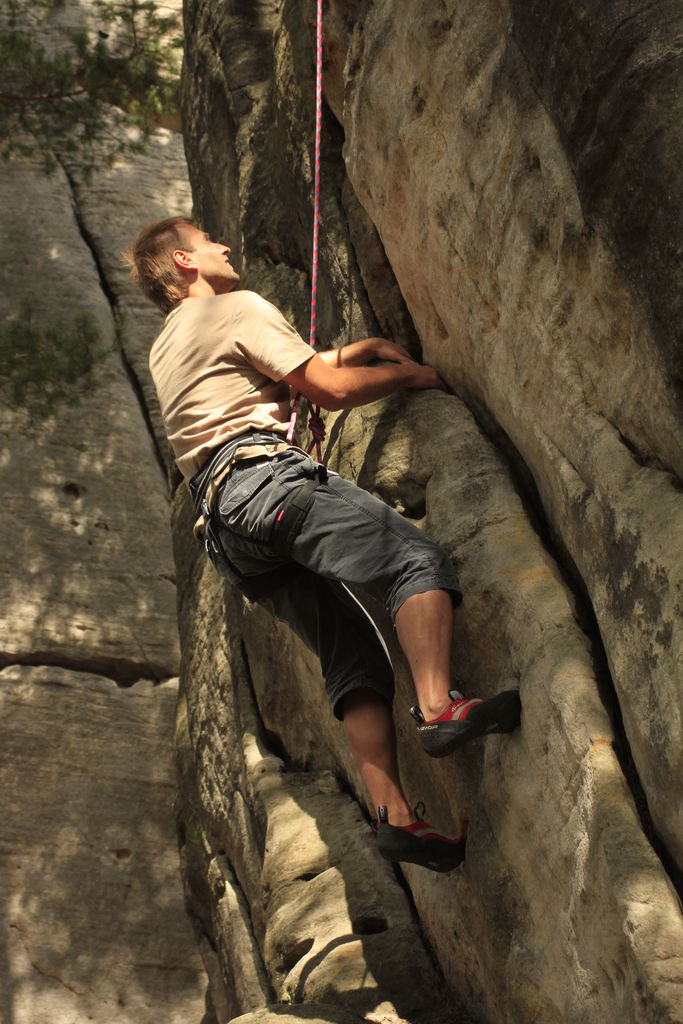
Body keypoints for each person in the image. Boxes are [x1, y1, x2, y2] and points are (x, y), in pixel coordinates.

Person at [124, 216, 521, 873]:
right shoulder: (234, 307)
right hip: (265, 482)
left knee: (350, 650)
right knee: (412, 561)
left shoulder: (167, 347)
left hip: (227, 531)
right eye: (209, 241)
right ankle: (437, 708)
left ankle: (393, 814)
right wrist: (411, 377)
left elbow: (271, 377)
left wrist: (348, 353)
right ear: (186, 264)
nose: (225, 246)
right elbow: (326, 392)